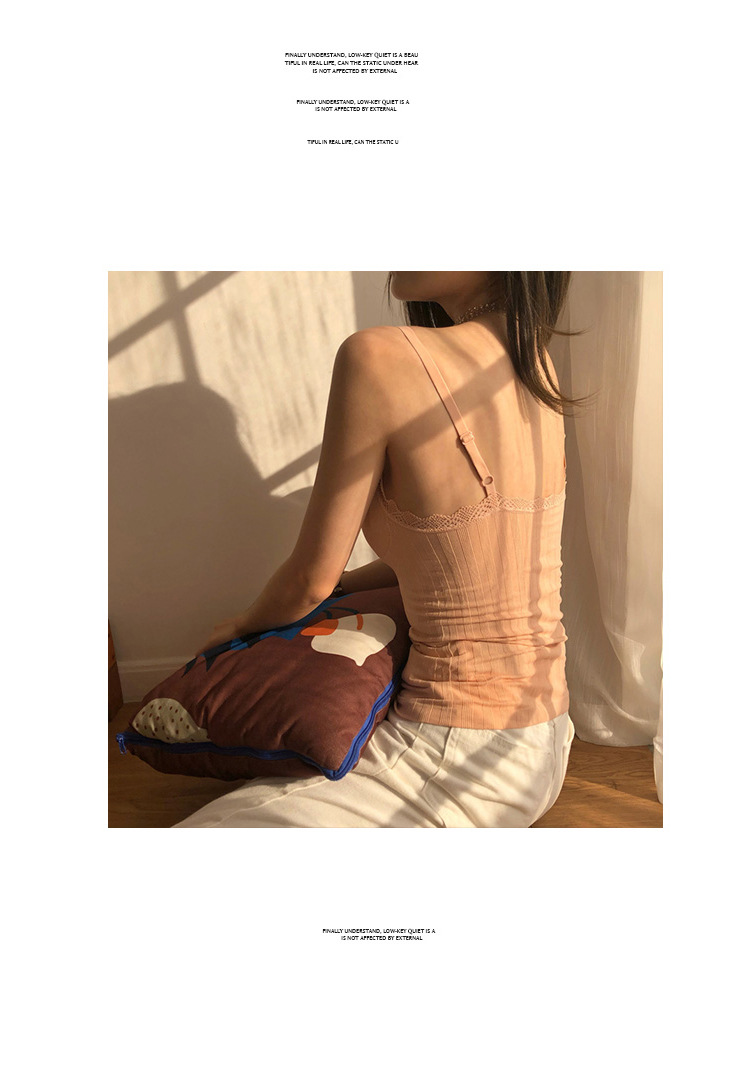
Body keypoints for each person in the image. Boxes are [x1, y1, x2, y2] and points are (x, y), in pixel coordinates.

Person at [176, 271, 582, 828]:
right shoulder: (535, 363)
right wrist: (344, 590)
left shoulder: (379, 357)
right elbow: (461, 558)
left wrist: (238, 627)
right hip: (546, 737)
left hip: (453, 752)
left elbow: (308, 582)